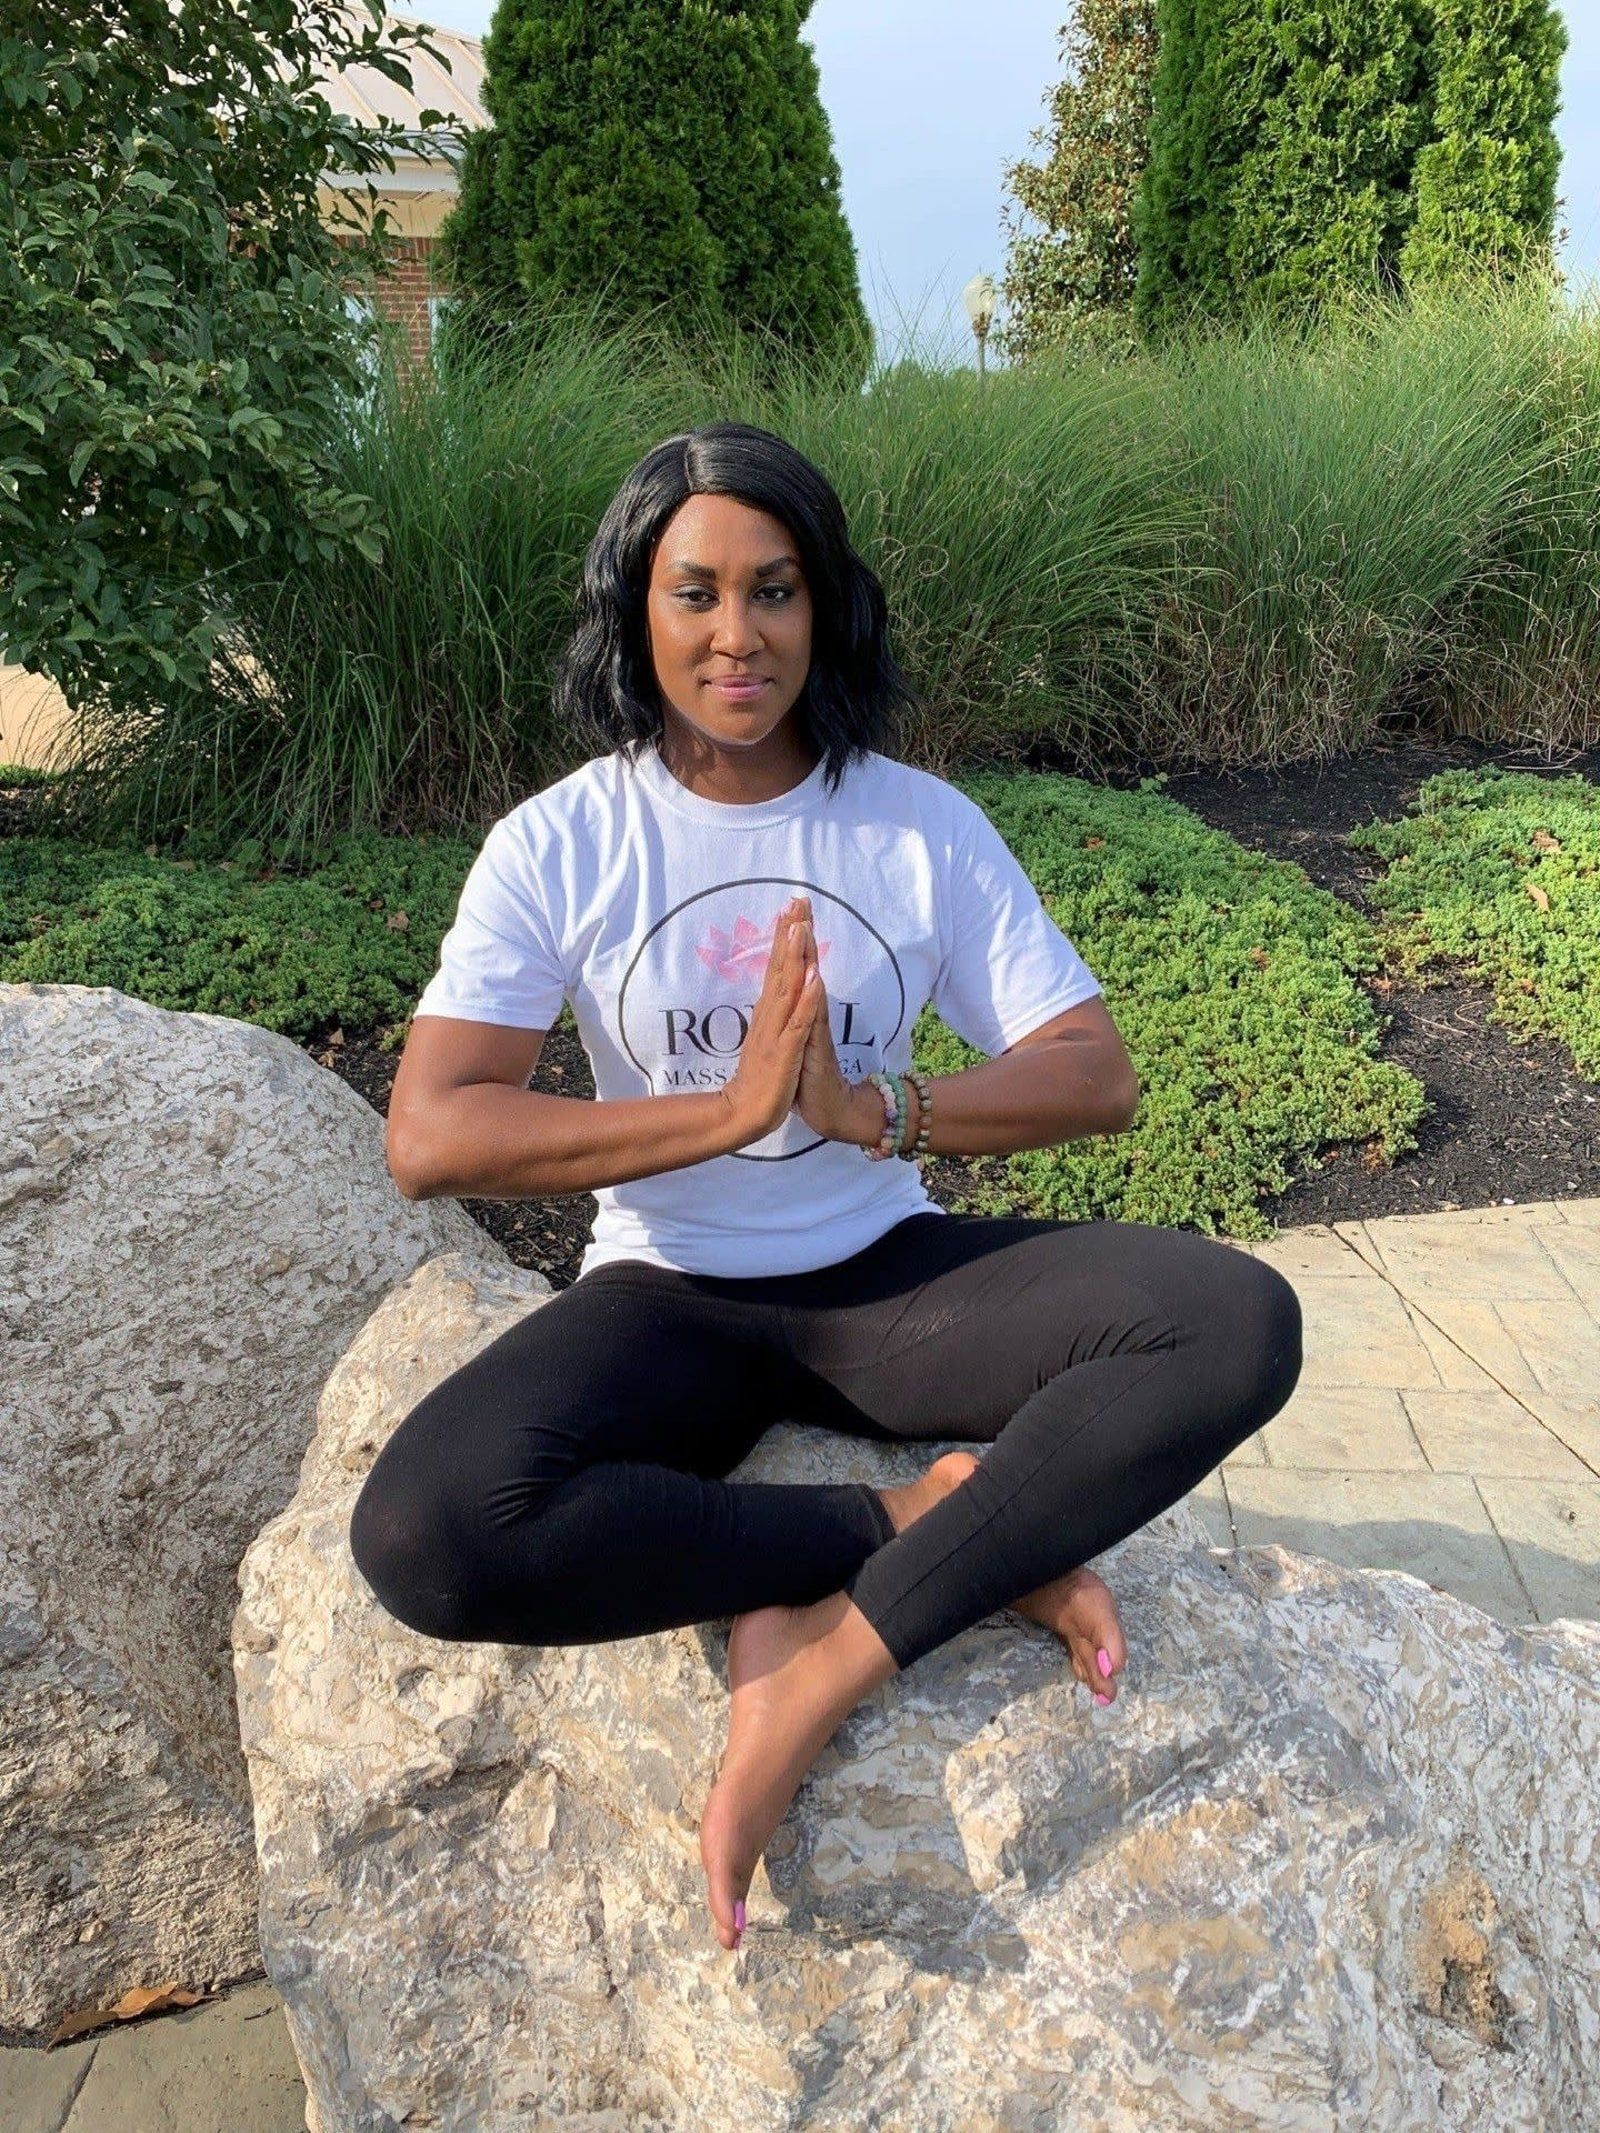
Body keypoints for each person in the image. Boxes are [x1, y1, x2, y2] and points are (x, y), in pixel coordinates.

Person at [349, 420, 1303, 1956]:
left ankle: (832, 1659)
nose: (739, 634)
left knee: (1234, 1318)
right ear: (633, 612)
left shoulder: (915, 824)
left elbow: (1094, 1070)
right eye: (696, 592)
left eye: (777, 589)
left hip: (885, 1278)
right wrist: (721, 1115)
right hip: (668, 1293)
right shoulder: (566, 841)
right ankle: (908, 1517)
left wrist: (879, 1107)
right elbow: (433, 1132)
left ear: (827, 606)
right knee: (428, 1531)